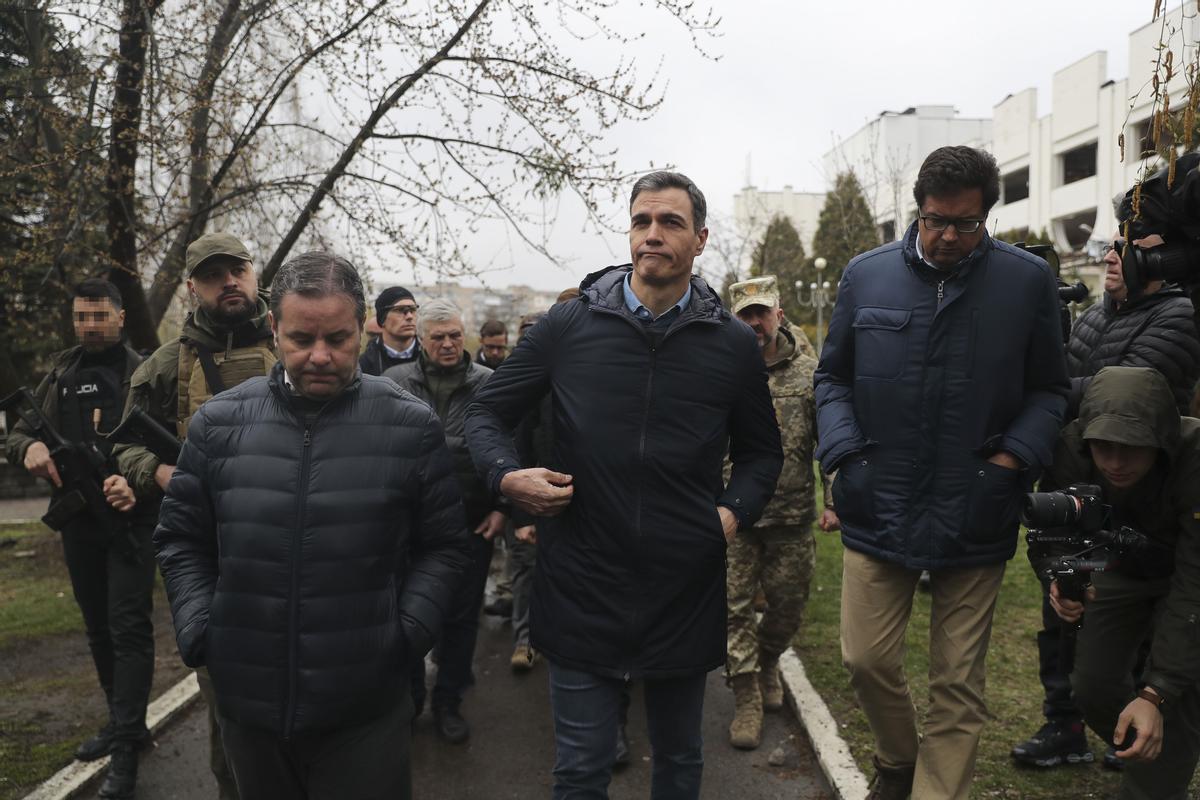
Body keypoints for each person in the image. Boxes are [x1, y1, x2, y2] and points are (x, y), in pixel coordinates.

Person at [466, 170, 783, 799]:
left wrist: (729, 515)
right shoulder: (569, 327)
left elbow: (761, 455)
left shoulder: (731, 346)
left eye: (670, 223)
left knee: (679, 763)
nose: (652, 235)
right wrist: (507, 476)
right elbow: (484, 414)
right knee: (580, 770)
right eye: (642, 221)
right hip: (583, 581)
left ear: (700, 240)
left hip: (681, 586)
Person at [153, 252, 471, 800]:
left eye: (338, 339)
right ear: (274, 329)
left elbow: (442, 545)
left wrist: (405, 635)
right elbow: (182, 538)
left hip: (365, 711)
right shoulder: (218, 424)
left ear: (362, 325)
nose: (319, 356)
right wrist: (202, 627)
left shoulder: (410, 425)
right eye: (301, 339)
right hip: (249, 708)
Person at [815, 145, 1069, 800]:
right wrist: (846, 457)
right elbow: (833, 378)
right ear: (917, 211)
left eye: (965, 224)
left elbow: (1050, 389)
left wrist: (1010, 461)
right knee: (865, 660)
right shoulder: (865, 276)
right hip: (879, 502)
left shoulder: (1025, 281)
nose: (948, 236)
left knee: (957, 686)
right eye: (935, 221)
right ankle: (899, 762)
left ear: (988, 215)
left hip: (975, 509)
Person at [1011, 226, 1200, 769]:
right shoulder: (1097, 315)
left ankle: (1146, 722)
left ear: (1165, 257)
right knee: (1066, 603)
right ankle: (1068, 721)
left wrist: (1037, 394)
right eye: (1111, 245)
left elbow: (1129, 398)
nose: (1111, 256)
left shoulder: (1177, 315)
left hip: (1151, 501)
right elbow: (1070, 387)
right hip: (1087, 480)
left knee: (1145, 640)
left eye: (1129, 247)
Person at [114, 231, 276, 800]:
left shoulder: (295, 345)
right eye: (213, 275)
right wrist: (160, 474)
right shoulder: (166, 365)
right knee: (227, 702)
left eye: (237, 270)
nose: (228, 282)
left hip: (297, 543)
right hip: (213, 556)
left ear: (255, 274)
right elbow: (126, 443)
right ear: (191, 288)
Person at [6, 279, 151, 800]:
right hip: (78, 521)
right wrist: (27, 450)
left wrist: (134, 482)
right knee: (97, 628)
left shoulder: (143, 372)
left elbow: (166, 445)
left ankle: (128, 747)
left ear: (119, 318)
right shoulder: (61, 373)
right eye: (81, 317)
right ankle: (121, 721)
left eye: (99, 316)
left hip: (130, 520)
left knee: (128, 627)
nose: (89, 325)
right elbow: (20, 431)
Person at [1043, 366, 1200, 800]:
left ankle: (1157, 781)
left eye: (1131, 448)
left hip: (1186, 577)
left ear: (1162, 441)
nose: (1114, 462)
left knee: (1177, 697)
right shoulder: (1071, 450)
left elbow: (1194, 585)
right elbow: (1053, 530)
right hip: (1121, 568)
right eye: (1103, 447)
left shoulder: (1194, 460)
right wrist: (1060, 576)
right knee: (1092, 686)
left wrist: (1156, 693)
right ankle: (1145, 740)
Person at [384, 299, 507, 743]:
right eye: (439, 337)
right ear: (422, 340)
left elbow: (506, 449)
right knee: (406, 615)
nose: (449, 344)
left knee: (460, 620)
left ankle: (448, 701)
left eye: (455, 335)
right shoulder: (393, 384)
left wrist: (501, 509)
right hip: (405, 530)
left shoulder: (489, 384)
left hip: (469, 525)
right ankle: (412, 695)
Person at [723, 275, 838, 751]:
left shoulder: (810, 375)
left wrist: (833, 500)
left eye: (761, 313)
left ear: (779, 315)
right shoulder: (722, 373)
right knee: (731, 611)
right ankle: (747, 695)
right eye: (745, 315)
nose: (754, 322)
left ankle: (769, 661)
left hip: (792, 515)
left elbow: (829, 443)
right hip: (735, 517)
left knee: (788, 608)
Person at [360, 286, 420, 375]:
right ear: (382, 319)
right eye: (400, 310)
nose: (409, 316)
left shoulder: (432, 356)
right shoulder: (364, 365)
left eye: (413, 310)